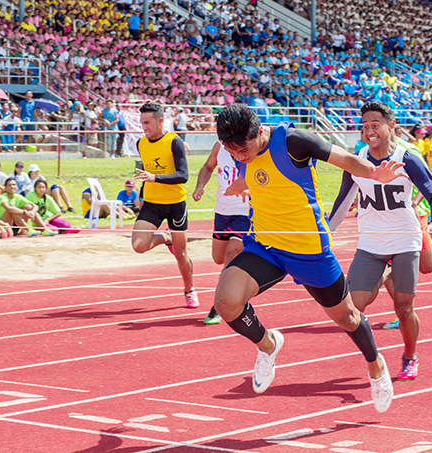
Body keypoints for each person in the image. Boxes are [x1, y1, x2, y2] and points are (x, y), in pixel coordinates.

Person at [212, 103, 401, 411]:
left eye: (243, 151)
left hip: (310, 251)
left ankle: (376, 364)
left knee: (348, 318)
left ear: (259, 132)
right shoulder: (240, 149)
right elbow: (258, 172)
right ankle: (268, 344)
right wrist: (240, 183)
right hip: (267, 247)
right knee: (226, 302)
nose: (239, 157)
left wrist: (373, 173)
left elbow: (344, 159)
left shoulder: (293, 141)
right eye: (232, 152)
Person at [328, 101, 432, 382]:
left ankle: (409, 357)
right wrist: (325, 232)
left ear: (391, 125)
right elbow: (342, 202)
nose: (369, 131)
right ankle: (374, 357)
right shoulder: (357, 160)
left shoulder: (408, 157)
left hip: (405, 239)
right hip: (370, 243)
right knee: (351, 310)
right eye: (365, 126)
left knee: (404, 309)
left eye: (375, 124)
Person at [132, 102, 197, 309]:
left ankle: (189, 290)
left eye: (148, 123)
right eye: (142, 123)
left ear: (160, 121)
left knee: (181, 254)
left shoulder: (174, 142)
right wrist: (141, 196)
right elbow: (145, 173)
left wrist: (155, 177)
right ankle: (165, 237)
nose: (144, 127)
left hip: (175, 204)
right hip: (151, 203)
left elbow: (183, 175)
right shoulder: (141, 143)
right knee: (138, 246)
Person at [192, 140, 250, 325]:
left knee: (232, 255)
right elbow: (208, 167)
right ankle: (241, 281)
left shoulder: (249, 148)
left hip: (243, 212)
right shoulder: (218, 146)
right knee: (219, 258)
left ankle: (219, 305)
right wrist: (200, 186)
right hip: (222, 211)